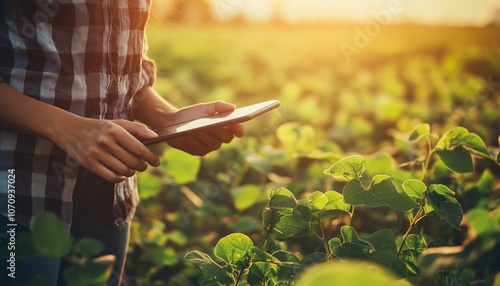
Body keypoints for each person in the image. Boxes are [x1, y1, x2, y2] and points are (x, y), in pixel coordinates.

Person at [0, 0, 244, 285]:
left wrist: (168, 118)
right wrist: (66, 129)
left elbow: (123, 68)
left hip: (109, 197)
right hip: (17, 192)